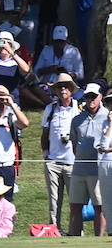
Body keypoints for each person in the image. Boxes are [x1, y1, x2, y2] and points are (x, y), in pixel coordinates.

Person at [40, 73, 79, 229]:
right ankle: (55, 229)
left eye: (66, 86)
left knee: (75, 199)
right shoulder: (50, 109)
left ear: (71, 89)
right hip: (53, 161)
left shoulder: (78, 108)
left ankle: (75, 230)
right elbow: (44, 135)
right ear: (56, 90)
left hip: (73, 162)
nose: (63, 89)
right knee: (54, 200)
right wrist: (46, 156)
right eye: (60, 87)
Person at [68, 84, 106, 236]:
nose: (90, 99)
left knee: (99, 206)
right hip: (79, 169)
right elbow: (73, 145)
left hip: (99, 171)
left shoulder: (108, 117)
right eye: (88, 96)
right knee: (75, 205)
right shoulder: (77, 119)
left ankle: (98, 240)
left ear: (100, 97)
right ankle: (75, 239)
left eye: (93, 96)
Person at [32, 25, 85, 93]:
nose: (59, 44)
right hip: (48, 86)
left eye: (61, 41)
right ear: (53, 41)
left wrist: (67, 74)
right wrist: (49, 69)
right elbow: (36, 71)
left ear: (66, 41)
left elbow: (80, 74)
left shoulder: (74, 51)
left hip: (67, 87)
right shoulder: (46, 50)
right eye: (57, 41)